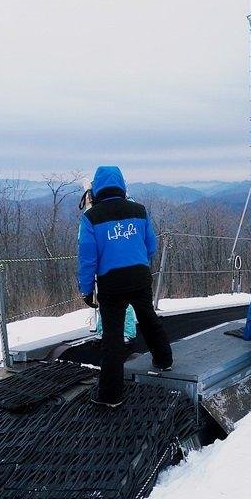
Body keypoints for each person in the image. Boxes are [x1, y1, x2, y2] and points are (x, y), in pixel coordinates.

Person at [78, 166, 172, 408]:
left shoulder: (91, 217)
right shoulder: (139, 210)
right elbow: (151, 246)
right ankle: (164, 359)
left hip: (111, 282)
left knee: (112, 336)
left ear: (96, 188)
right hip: (139, 275)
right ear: (122, 185)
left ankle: (110, 396)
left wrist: (86, 290)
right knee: (148, 316)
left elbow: (88, 258)